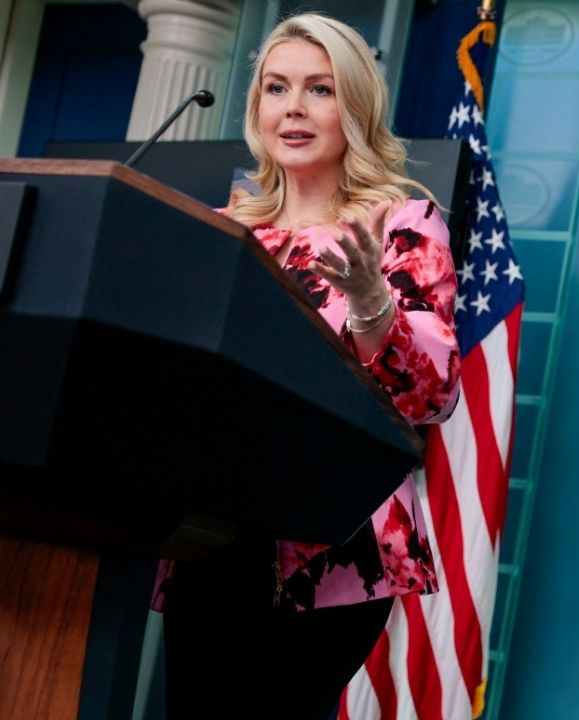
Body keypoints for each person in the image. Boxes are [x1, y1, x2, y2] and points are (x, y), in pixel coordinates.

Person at [154, 13, 461, 718]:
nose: (292, 108)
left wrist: (371, 303)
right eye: (276, 88)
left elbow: (432, 396)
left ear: (355, 108)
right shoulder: (218, 228)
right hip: (210, 527)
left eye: (319, 89)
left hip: (330, 541)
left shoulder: (401, 223)